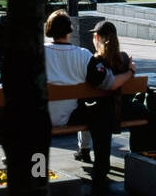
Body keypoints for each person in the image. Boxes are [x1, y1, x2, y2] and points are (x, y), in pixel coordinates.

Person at [44, 10, 133, 186]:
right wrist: (130, 71)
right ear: (70, 30)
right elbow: (108, 83)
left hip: (39, 117)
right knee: (100, 112)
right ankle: (101, 168)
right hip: (70, 115)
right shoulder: (83, 55)